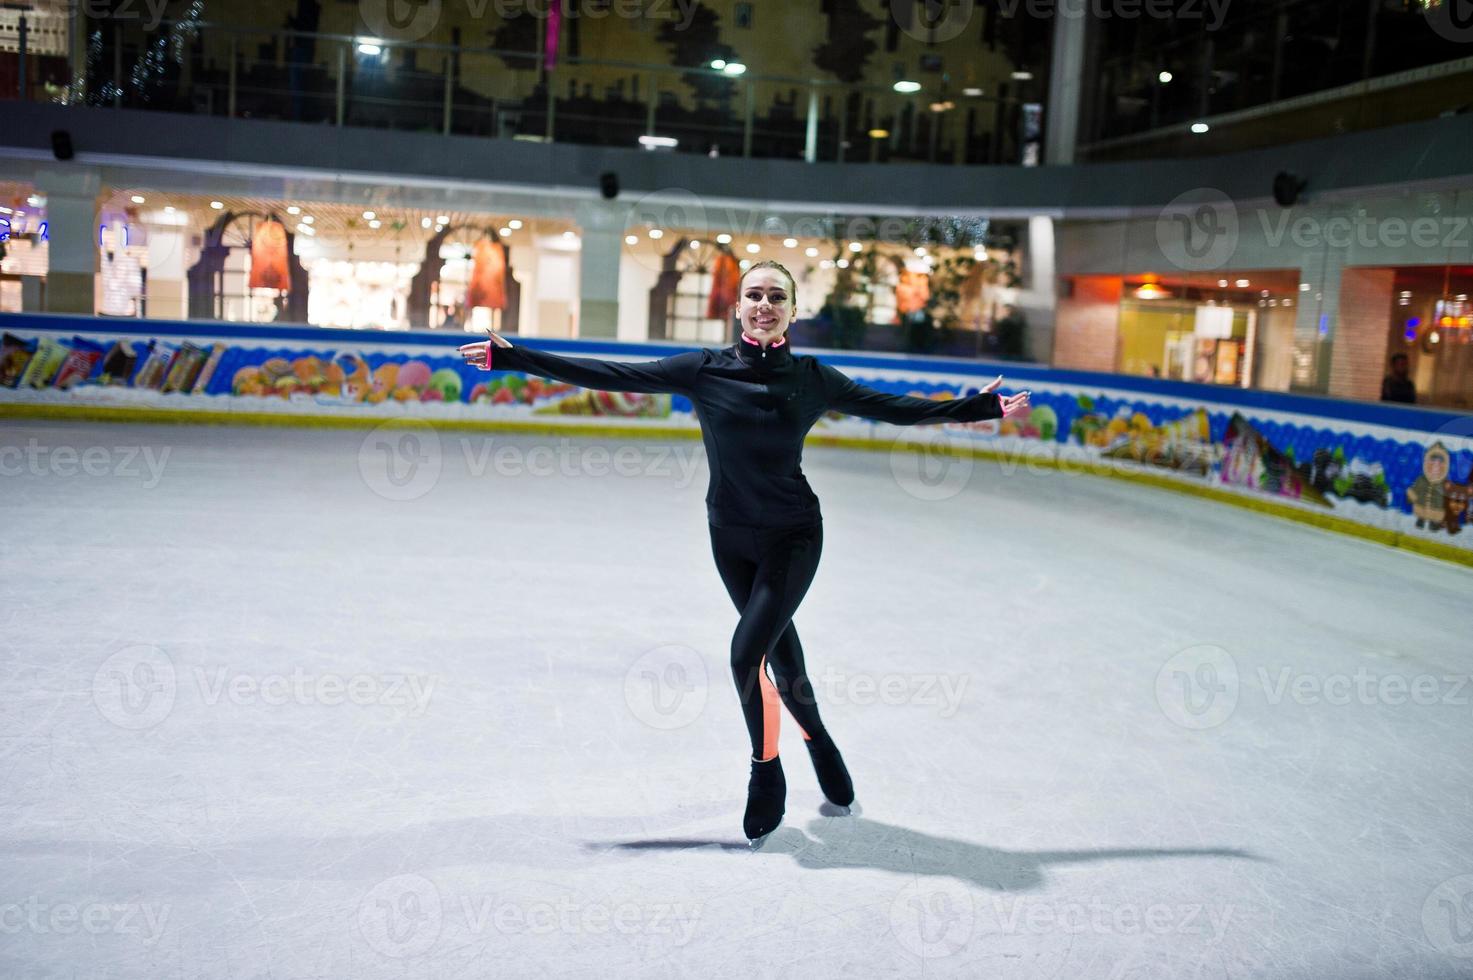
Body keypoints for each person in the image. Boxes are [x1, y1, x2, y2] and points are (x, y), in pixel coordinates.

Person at [458, 260, 1031, 843]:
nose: (763, 304)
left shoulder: (812, 378)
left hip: (794, 535)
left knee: (743, 656)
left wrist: (976, 409)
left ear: (792, 310)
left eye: (775, 296)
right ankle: (820, 742)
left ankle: (766, 771)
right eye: (753, 295)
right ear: (737, 309)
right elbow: (611, 373)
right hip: (729, 537)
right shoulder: (702, 370)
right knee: (783, 663)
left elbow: (894, 407)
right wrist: (515, 357)